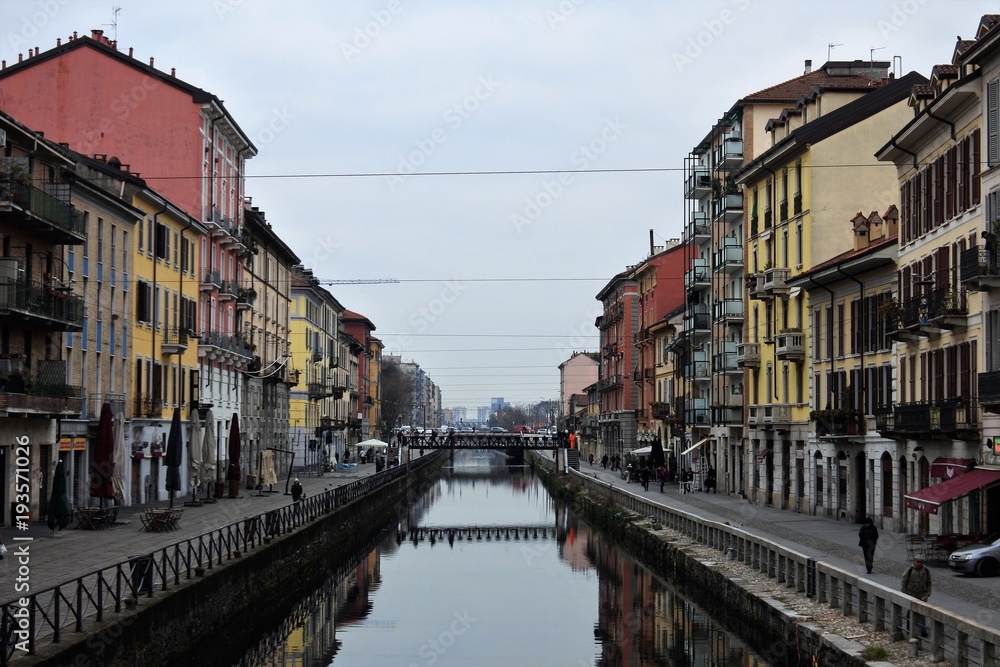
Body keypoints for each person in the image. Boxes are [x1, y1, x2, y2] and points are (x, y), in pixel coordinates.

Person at [901, 557, 932, 637]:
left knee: (922, 613)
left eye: (921, 562)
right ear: (914, 562)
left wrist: (928, 593)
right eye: (918, 561)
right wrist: (904, 593)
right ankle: (909, 628)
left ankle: (922, 630)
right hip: (911, 594)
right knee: (910, 612)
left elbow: (929, 583)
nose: (920, 563)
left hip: (922, 595)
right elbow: (904, 582)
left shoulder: (926, 571)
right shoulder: (909, 570)